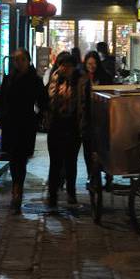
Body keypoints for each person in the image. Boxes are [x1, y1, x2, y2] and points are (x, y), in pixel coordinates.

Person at [0, 49, 48, 214]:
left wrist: (37, 119)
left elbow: (43, 102)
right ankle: (16, 189)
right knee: (13, 157)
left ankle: (17, 190)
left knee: (21, 158)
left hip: (26, 124)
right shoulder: (9, 78)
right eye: (16, 59)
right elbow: (1, 99)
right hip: (11, 123)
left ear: (28, 61)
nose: (18, 62)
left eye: (21, 59)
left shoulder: (35, 80)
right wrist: (0, 117)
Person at [46, 54, 82, 208]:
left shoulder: (79, 81)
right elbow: (48, 100)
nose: (65, 68)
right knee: (55, 162)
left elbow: (82, 103)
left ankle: (71, 192)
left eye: (69, 66)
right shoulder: (54, 80)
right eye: (62, 65)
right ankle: (52, 195)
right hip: (56, 125)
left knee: (71, 161)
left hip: (73, 126)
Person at [79, 51, 112, 178]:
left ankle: (107, 174)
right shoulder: (82, 78)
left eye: (94, 64)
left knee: (103, 147)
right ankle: (91, 175)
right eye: (89, 64)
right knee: (88, 147)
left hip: (103, 117)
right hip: (87, 117)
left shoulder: (105, 77)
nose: (91, 66)